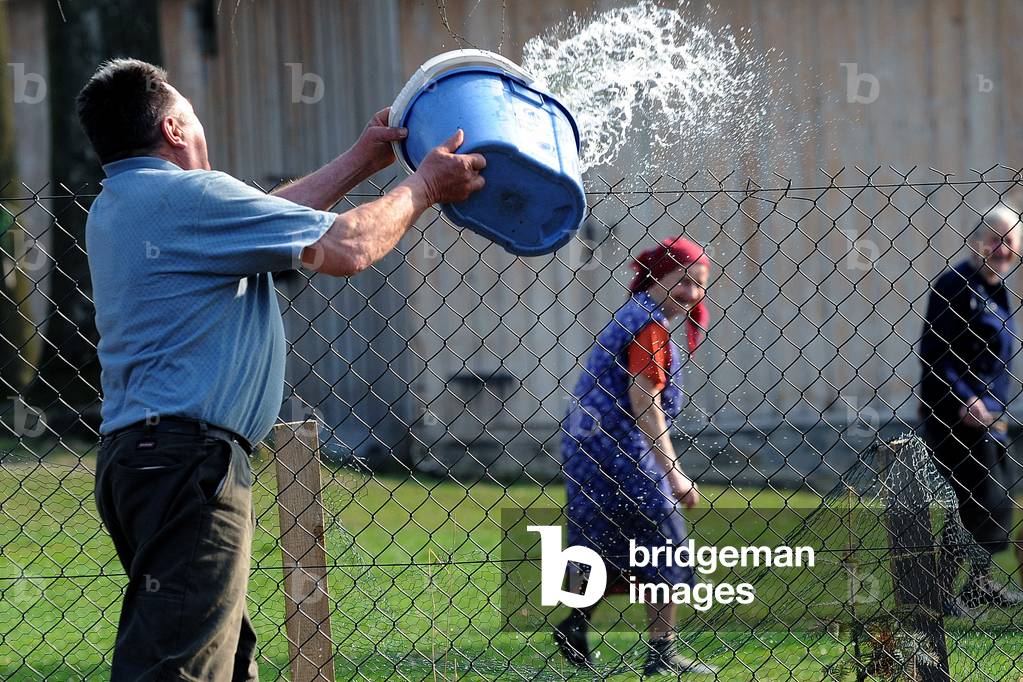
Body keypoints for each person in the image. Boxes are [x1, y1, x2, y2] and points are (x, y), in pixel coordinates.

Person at [79, 58, 485, 680]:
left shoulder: (122, 204)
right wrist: (424, 187)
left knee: (219, 656)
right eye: (192, 111)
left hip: (141, 461)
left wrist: (359, 162)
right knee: (177, 669)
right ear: (173, 128)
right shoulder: (188, 198)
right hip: (188, 466)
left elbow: (261, 220)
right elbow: (347, 246)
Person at [556, 236, 717, 676]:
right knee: (666, 537)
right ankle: (662, 652)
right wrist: (676, 473)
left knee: (597, 533)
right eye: (682, 281)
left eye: (699, 285)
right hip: (620, 444)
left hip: (585, 444)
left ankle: (575, 623)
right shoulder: (649, 323)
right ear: (656, 278)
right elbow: (644, 397)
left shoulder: (634, 315)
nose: (691, 294)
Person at [918, 205, 1023, 610]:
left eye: (1009, 241)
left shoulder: (998, 291)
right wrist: (965, 398)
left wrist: (993, 406)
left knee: (999, 494)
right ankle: (940, 591)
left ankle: (978, 581)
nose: (1001, 249)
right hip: (952, 414)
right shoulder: (955, 285)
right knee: (976, 495)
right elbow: (935, 356)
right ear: (976, 241)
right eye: (994, 239)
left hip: (990, 416)